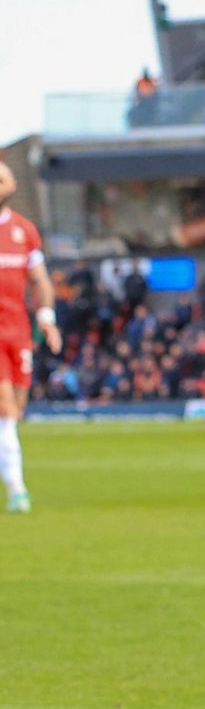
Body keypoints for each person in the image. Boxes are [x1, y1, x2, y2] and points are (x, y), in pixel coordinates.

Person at [0, 164, 62, 513]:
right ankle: (17, 491)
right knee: (5, 410)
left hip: (18, 331)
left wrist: (47, 319)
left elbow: (40, 281)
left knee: (15, 412)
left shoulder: (24, 231)